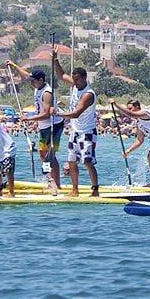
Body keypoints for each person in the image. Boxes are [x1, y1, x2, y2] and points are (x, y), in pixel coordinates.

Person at [7, 62, 64, 192]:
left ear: (41, 80)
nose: (31, 83)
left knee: (47, 154)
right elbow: (26, 76)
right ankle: (55, 182)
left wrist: (29, 118)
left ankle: (52, 182)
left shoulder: (47, 93)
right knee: (46, 154)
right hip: (44, 126)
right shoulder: (37, 85)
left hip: (54, 125)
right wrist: (13, 65)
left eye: (34, 81)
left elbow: (45, 114)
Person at [52, 56, 99, 196]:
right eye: (75, 80)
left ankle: (95, 189)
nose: (76, 82)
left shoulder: (88, 95)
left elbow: (77, 113)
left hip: (87, 132)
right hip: (75, 131)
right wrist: (55, 60)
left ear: (84, 78)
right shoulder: (74, 85)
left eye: (78, 80)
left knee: (88, 162)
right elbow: (61, 75)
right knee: (72, 161)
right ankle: (75, 190)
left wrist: (58, 114)